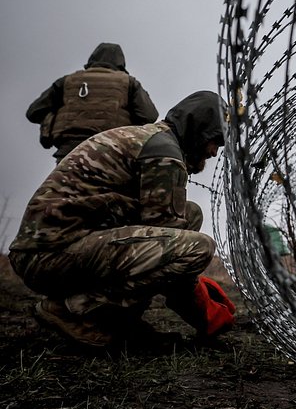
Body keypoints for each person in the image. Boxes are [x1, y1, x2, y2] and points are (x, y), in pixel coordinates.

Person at [9, 91, 233, 349]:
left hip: (53, 248)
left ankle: (115, 321)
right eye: (215, 141)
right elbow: (169, 247)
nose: (215, 152)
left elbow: (162, 233)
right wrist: (203, 308)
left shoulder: (150, 139)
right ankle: (74, 311)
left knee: (190, 214)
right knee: (199, 247)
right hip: (48, 256)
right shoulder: (164, 152)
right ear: (199, 130)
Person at [26, 43, 158, 162]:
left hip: (69, 151)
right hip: (110, 150)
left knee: (65, 188)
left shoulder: (67, 81)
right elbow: (149, 116)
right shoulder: (128, 83)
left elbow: (34, 112)